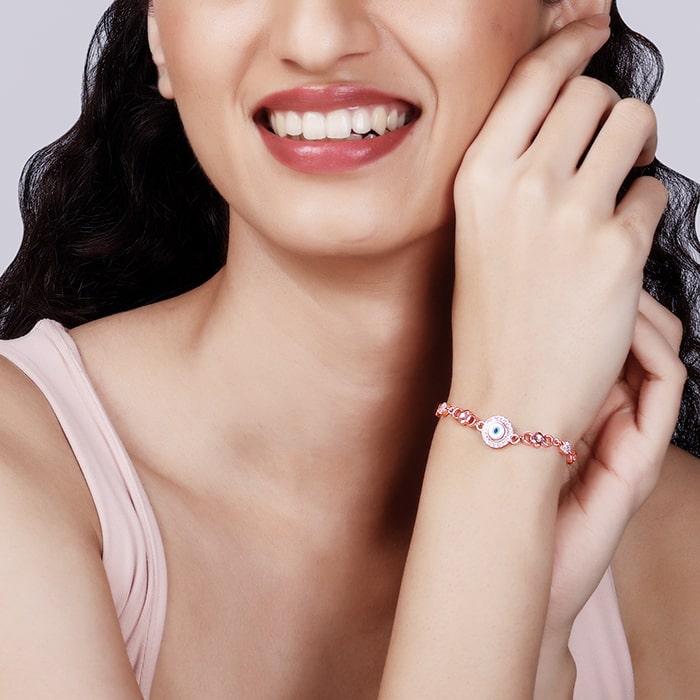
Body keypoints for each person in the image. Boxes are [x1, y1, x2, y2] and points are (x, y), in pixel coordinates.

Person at [0, 0, 698, 697]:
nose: (317, 38)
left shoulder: (674, 549)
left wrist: (533, 635)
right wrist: (501, 458)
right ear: (160, 29)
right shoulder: (21, 468)